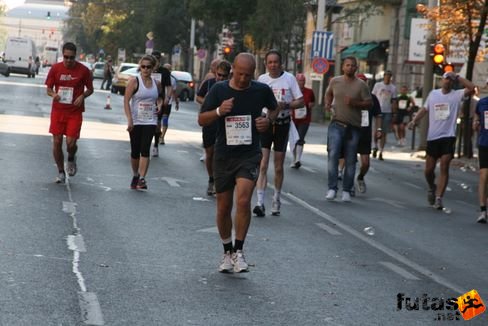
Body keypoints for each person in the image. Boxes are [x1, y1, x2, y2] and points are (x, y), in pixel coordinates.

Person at [198, 53, 278, 273]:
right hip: (224, 155)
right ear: (233, 69)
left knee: (243, 200)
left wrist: (268, 121)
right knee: (224, 207)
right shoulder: (219, 90)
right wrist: (218, 111)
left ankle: (239, 251)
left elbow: (274, 107)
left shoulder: (261, 90)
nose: (243, 79)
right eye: (240, 74)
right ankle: (227, 251)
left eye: (248, 75)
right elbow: (201, 119)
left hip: (249, 154)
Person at [408, 71, 475, 210]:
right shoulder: (433, 94)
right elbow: (424, 109)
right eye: (446, 79)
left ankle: (439, 198)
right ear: (442, 80)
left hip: (448, 136)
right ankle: (432, 186)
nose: (448, 82)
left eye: (451, 80)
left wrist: (458, 77)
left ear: (453, 82)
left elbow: (472, 88)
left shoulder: (457, 95)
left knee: (444, 165)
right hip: (433, 137)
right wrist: (414, 121)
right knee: (428, 170)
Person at [253, 50, 304, 217]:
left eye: (276, 62)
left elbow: (301, 101)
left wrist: (287, 105)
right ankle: (260, 202)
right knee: (262, 164)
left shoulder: (289, 79)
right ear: (266, 64)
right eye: (270, 62)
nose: (273, 65)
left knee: (278, 166)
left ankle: (276, 198)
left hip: (282, 124)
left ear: (281, 63)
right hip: (266, 123)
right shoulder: (262, 79)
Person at [324, 56, 372, 202]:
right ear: (343, 67)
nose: (350, 68)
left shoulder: (361, 85)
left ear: (356, 68)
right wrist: (327, 104)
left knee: (350, 159)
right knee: (333, 154)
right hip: (336, 123)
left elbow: (369, 103)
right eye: (347, 65)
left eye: (353, 66)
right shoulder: (335, 81)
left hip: (353, 128)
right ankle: (332, 188)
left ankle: (346, 189)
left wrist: (355, 103)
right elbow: (328, 93)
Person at [45, 42, 94, 183]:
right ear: (62, 55)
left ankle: (71, 157)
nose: (68, 60)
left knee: (71, 143)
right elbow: (48, 88)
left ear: (75, 56)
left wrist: (82, 96)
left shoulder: (83, 71)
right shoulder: (55, 69)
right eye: (66, 57)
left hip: (74, 112)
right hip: (58, 111)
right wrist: (53, 94)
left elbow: (90, 89)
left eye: (71, 58)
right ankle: (61, 171)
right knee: (57, 141)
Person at [124, 55, 163, 190]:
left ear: (153, 68)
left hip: (150, 121)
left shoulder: (156, 84)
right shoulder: (134, 81)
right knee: (135, 151)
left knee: (145, 149)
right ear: (140, 67)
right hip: (136, 121)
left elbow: (159, 98)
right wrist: (129, 120)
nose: (145, 69)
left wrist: (159, 105)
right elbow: (126, 101)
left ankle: (142, 178)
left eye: (148, 67)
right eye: (143, 66)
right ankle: (135, 174)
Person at [196, 60, 232, 195]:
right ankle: (211, 179)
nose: (221, 78)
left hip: (225, 123)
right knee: (210, 153)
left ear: (229, 76)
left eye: (224, 76)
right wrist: (208, 102)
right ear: (215, 73)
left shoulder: (231, 86)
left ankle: (219, 181)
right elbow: (198, 97)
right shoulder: (210, 83)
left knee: (220, 154)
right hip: (210, 121)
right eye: (219, 75)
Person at [354, 73, 382, 194]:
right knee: (349, 161)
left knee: (365, 164)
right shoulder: (351, 95)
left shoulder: (372, 98)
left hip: (365, 133)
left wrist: (379, 130)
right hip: (352, 131)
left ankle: (360, 177)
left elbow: (378, 115)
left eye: (364, 82)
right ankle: (347, 184)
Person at [290, 73, 315, 169]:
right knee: (294, 139)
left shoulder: (309, 91)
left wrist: (311, 105)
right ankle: (293, 158)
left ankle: (298, 160)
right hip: (293, 118)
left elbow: (313, 101)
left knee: (300, 138)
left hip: (305, 119)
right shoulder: (292, 91)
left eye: (303, 80)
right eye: (299, 80)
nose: (301, 82)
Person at [150, 51, 172, 157]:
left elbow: (168, 86)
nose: (155, 61)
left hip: (159, 99)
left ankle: (155, 145)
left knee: (157, 123)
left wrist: (167, 97)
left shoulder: (165, 72)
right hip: (147, 99)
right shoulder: (147, 69)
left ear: (160, 60)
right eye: (153, 59)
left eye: (157, 59)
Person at [372, 70, 397, 160]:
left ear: (391, 77)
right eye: (386, 75)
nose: (388, 77)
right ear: (384, 76)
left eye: (389, 76)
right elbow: (373, 97)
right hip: (378, 110)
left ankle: (381, 151)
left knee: (384, 132)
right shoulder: (378, 85)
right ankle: (375, 146)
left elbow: (394, 101)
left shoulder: (393, 88)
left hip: (388, 111)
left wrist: (394, 113)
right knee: (377, 130)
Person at [473, 93, 488, 223]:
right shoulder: (482, 102)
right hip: (484, 143)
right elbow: (477, 115)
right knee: (484, 174)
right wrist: (476, 122)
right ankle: (483, 210)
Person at [157, 63, 179, 147]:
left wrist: (176, 102)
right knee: (158, 120)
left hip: (167, 102)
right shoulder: (158, 77)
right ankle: (158, 135)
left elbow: (174, 92)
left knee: (165, 120)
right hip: (158, 101)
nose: (167, 71)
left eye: (169, 69)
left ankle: (162, 136)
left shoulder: (173, 80)